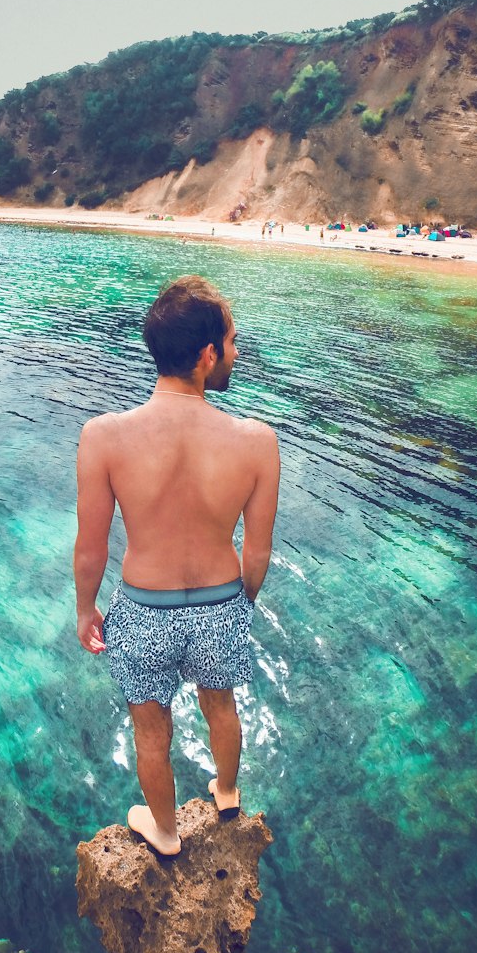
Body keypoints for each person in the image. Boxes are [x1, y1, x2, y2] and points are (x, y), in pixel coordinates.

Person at [73, 276, 280, 856]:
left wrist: (86, 608)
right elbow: (256, 554)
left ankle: (164, 831)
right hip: (220, 604)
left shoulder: (104, 437)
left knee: (150, 728)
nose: (236, 353)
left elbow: (91, 548)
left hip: (142, 611)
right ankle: (228, 789)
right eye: (233, 342)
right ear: (208, 354)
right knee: (222, 704)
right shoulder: (258, 442)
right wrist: (241, 605)